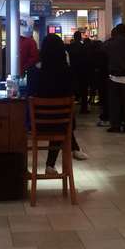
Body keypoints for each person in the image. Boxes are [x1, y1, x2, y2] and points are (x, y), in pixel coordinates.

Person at [27, 34, 87, 173]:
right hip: (62, 122)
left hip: (38, 123)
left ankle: (51, 163)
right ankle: (71, 150)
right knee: (62, 120)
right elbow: (75, 92)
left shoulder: (34, 71)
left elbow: (30, 92)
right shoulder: (68, 72)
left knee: (57, 120)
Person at [102, 24, 125, 133]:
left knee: (114, 103)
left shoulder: (111, 43)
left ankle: (115, 125)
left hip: (114, 77)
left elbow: (103, 49)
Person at [68, 31, 91, 114]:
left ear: (74, 37)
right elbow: (87, 59)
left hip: (72, 70)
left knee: (71, 90)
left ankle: (70, 108)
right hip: (82, 71)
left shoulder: (70, 47)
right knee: (84, 90)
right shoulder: (83, 47)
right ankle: (84, 108)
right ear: (80, 37)